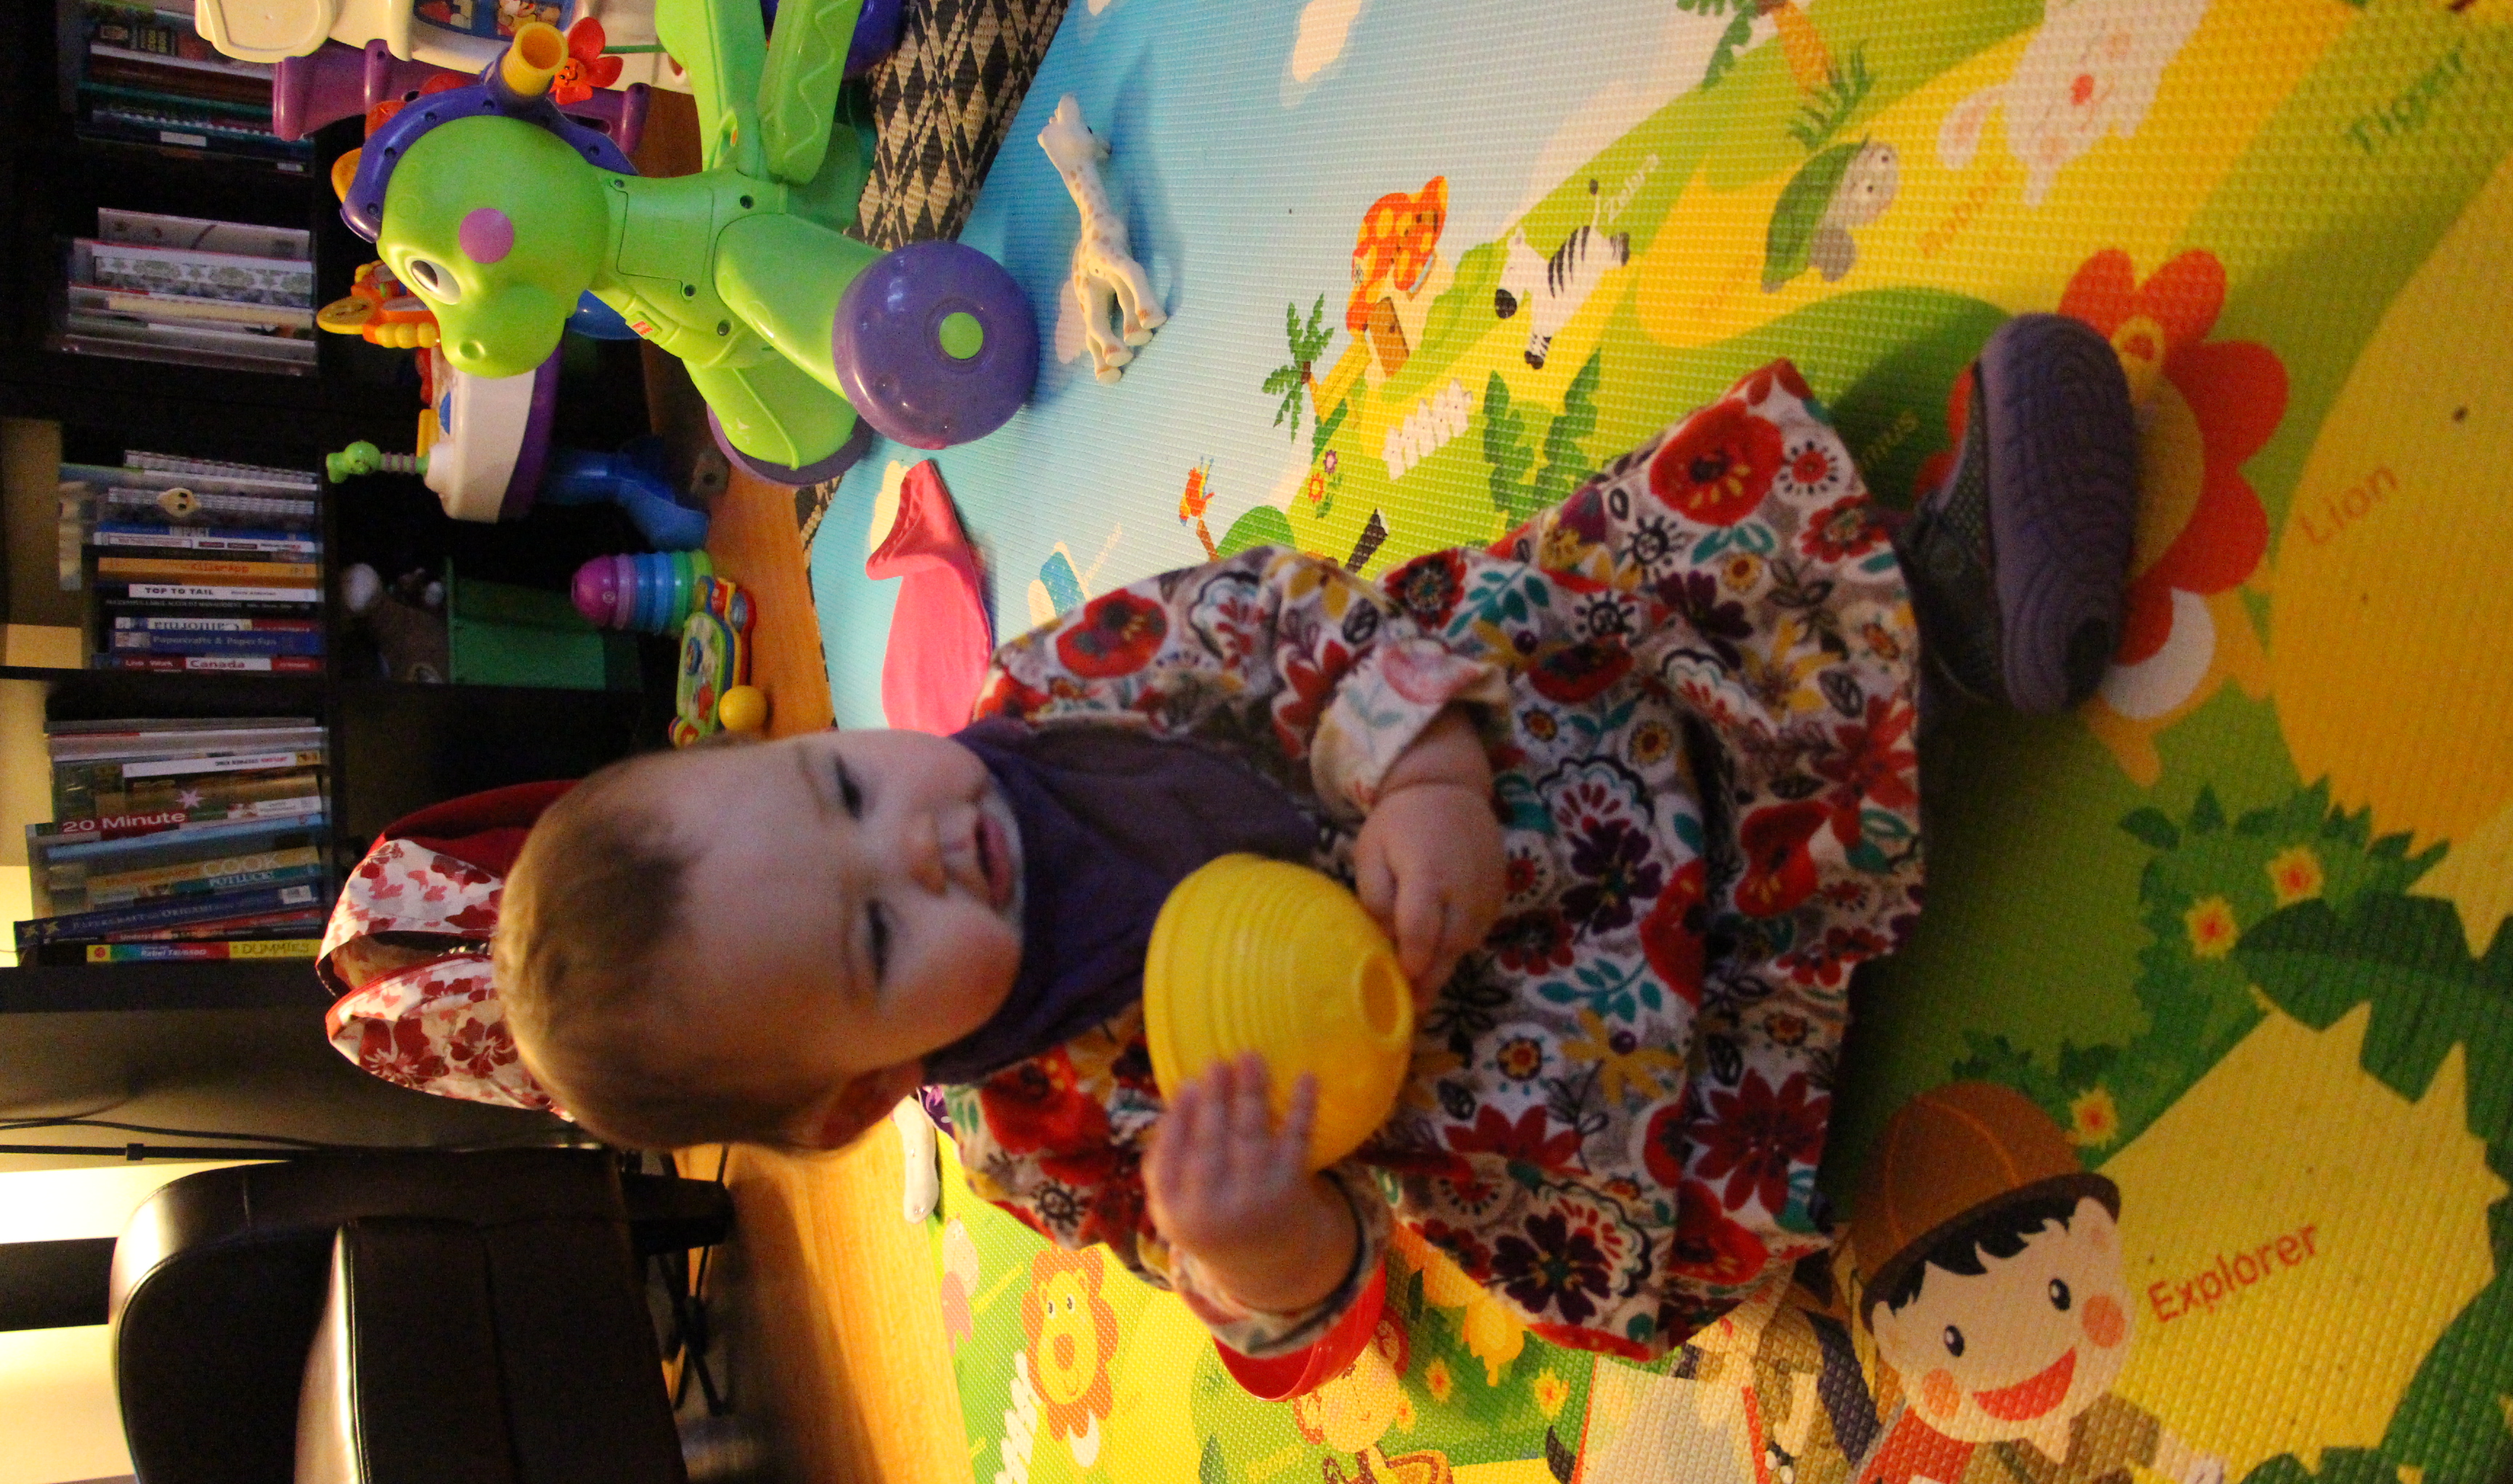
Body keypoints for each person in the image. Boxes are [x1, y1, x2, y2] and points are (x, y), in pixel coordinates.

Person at [492, 314, 2139, 1369]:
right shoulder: (1039, 1133)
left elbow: (1294, 616)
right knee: (1661, 1197)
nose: (917, 849)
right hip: (1545, 1055)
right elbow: (1301, 1287)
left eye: (846, 791)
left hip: (1554, 748)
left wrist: (1420, 777)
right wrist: (1254, 1233)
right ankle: (1808, 980)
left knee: (1638, 588)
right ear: (864, 1092)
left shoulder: (1068, 683)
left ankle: (1935, 612)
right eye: (871, 940)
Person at [1851, 1080, 2227, 1484]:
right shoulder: (1990, 1466)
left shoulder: (2101, 1418)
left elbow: (2154, 1443)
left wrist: (2193, 1472)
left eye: (2057, 1295)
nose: (2018, 1355)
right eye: (1956, 1341)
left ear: (2097, 1243)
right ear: (1898, 1346)